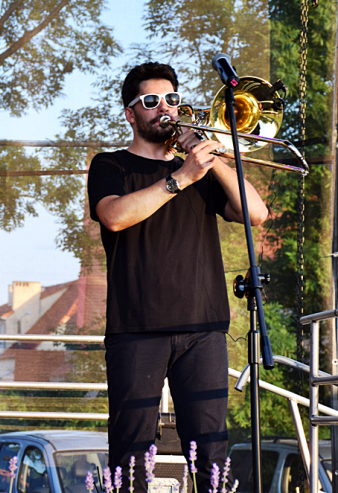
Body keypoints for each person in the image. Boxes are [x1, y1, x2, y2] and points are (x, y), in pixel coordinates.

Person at [87, 62, 268, 492]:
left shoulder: (201, 172)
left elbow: (256, 214)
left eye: (171, 99)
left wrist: (213, 159)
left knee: (210, 450)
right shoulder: (111, 165)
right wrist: (181, 177)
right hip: (136, 329)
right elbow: (114, 216)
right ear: (131, 114)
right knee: (130, 453)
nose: (164, 108)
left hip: (203, 327)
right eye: (151, 101)